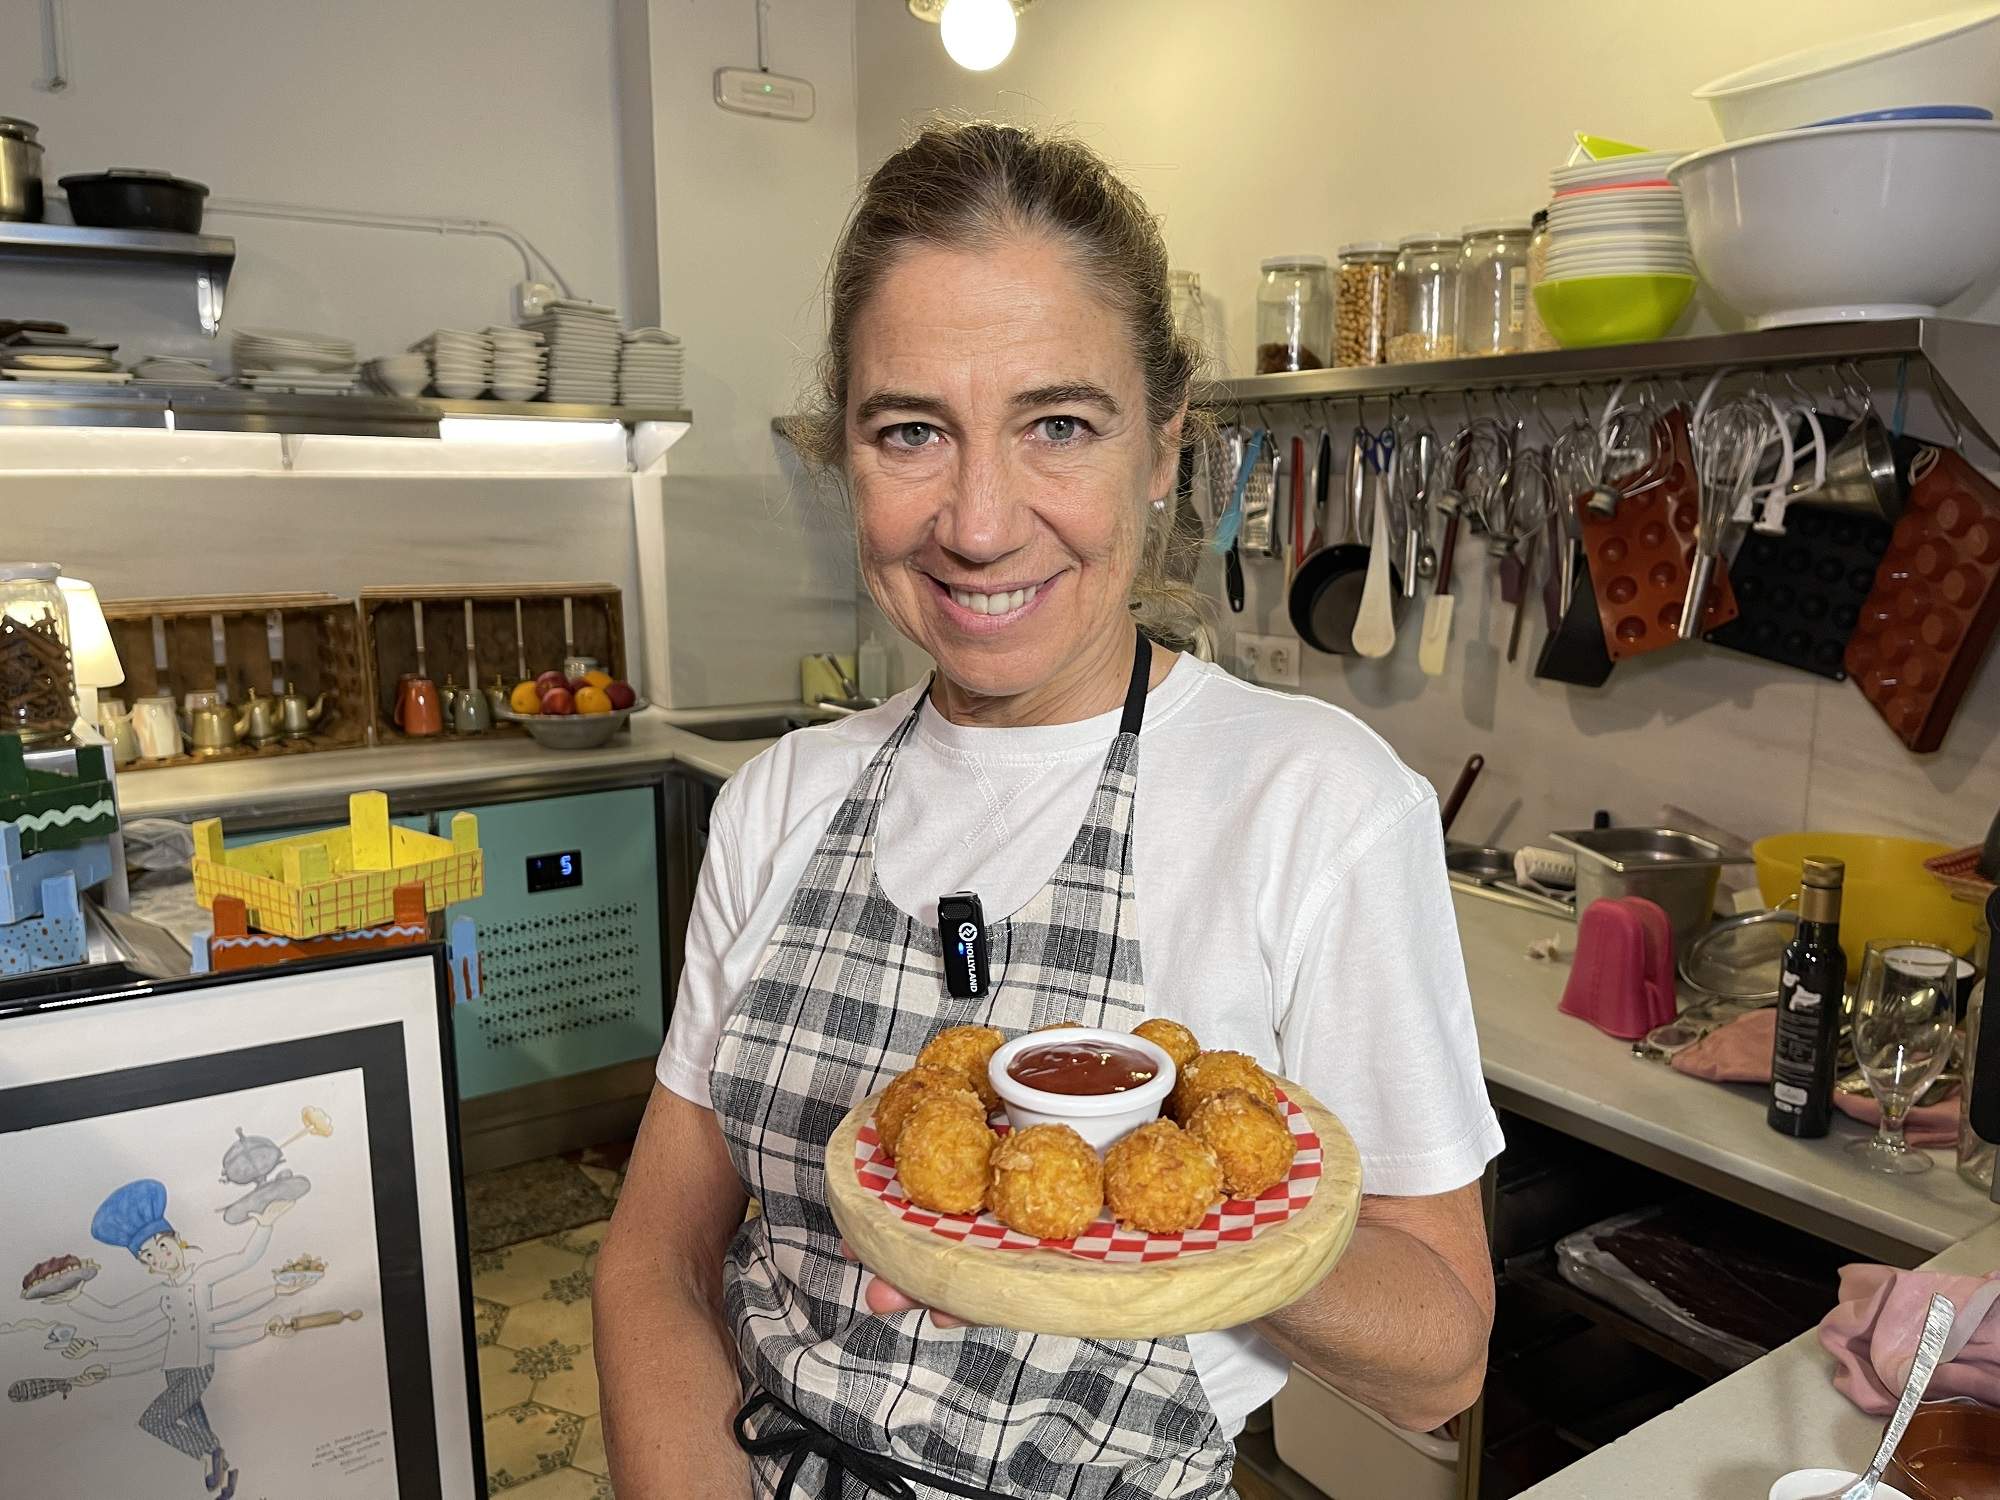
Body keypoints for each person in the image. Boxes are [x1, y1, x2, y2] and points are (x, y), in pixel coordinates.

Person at [596, 122, 1502, 1499]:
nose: (977, 520)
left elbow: (1443, 1355)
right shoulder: (783, 797)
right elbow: (655, 1264)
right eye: (911, 431)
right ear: (847, 452)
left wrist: (1162, 1237)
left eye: (1058, 425)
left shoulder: (1317, 805)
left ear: (1161, 449)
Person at [72, 1177, 297, 1498]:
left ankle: (208, 1457)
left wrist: (264, 1225)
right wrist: (76, 1298)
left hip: (197, 1368)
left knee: (153, 1420)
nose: (159, 1259)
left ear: (177, 1240)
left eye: (161, 1248)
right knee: (198, 1427)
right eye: (148, 1257)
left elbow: (244, 1259)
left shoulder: (202, 1277)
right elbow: (116, 1314)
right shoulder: (161, 1293)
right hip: (173, 1370)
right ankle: (226, 1477)